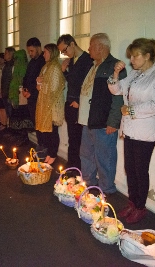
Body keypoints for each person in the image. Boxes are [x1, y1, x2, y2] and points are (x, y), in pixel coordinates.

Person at [108, 38, 155, 224]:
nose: (132, 60)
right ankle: (132, 202)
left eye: (136, 56)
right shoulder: (136, 74)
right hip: (130, 129)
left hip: (146, 132)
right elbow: (116, 90)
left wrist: (131, 110)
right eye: (131, 56)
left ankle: (140, 207)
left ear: (148, 55)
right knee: (130, 169)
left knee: (140, 170)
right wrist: (115, 73)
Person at [78, 33, 126, 195]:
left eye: (91, 46)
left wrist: (113, 121)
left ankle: (107, 189)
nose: (89, 49)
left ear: (100, 47)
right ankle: (89, 184)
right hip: (87, 121)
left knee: (105, 158)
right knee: (86, 155)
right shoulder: (94, 66)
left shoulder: (115, 67)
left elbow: (119, 97)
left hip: (103, 122)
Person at [57, 34, 93, 169]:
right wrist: (64, 71)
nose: (64, 53)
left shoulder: (87, 60)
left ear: (72, 44)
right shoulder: (72, 60)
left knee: (79, 140)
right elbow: (72, 81)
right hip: (70, 103)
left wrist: (78, 100)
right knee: (72, 138)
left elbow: (87, 84)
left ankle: (77, 168)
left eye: (65, 50)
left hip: (79, 104)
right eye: (62, 52)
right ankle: (71, 165)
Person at [35, 44, 65, 165]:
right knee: (46, 131)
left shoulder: (55, 67)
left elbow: (55, 88)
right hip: (44, 103)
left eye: (45, 52)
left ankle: (53, 153)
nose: (43, 54)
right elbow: (40, 86)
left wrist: (42, 83)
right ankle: (48, 152)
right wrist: (39, 82)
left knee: (52, 130)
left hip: (52, 105)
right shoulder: (46, 66)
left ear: (51, 53)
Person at [21, 37, 46, 147]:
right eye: (28, 51)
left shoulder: (43, 61)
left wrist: (32, 93)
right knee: (36, 124)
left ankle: (44, 147)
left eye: (32, 51)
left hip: (39, 99)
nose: (30, 54)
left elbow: (43, 81)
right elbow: (27, 78)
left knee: (42, 125)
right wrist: (24, 89)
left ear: (38, 48)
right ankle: (40, 145)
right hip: (31, 98)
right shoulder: (32, 62)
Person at [0, 46, 15, 131]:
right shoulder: (6, 65)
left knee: (11, 112)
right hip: (5, 92)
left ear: (10, 54)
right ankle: (9, 128)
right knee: (8, 112)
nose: (4, 55)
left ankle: (12, 129)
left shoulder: (13, 65)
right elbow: (3, 80)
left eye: (6, 53)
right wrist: (2, 91)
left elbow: (11, 80)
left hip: (10, 93)